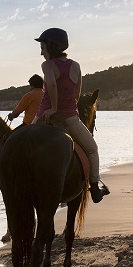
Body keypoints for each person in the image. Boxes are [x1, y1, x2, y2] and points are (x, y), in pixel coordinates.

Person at [32, 28, 110, 203]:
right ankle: (95, 188)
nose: (41, 51)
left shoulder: (47, 65)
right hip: (70, 119)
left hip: (45, 117)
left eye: (42, 47)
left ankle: (5, 171)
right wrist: (65, 105)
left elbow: (51, 84)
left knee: (20, 138)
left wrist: (53, 109)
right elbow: (77, 93)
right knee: (92, 149)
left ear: (51, 46)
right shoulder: (75, 66)